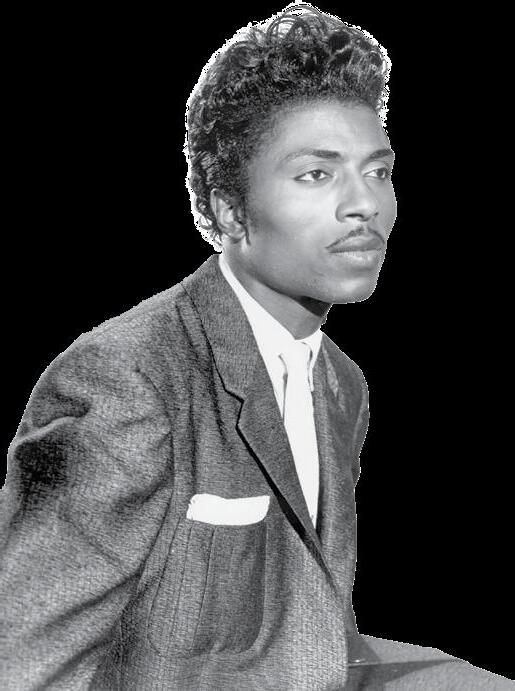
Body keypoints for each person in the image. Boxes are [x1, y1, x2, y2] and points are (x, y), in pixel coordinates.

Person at [1, 3, 512, 689]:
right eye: (316, 174)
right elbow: (24, 662)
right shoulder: (127, 378)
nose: (364, 204)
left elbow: (307, 631)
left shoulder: (341, 383)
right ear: (228, 210)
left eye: (378, 171)